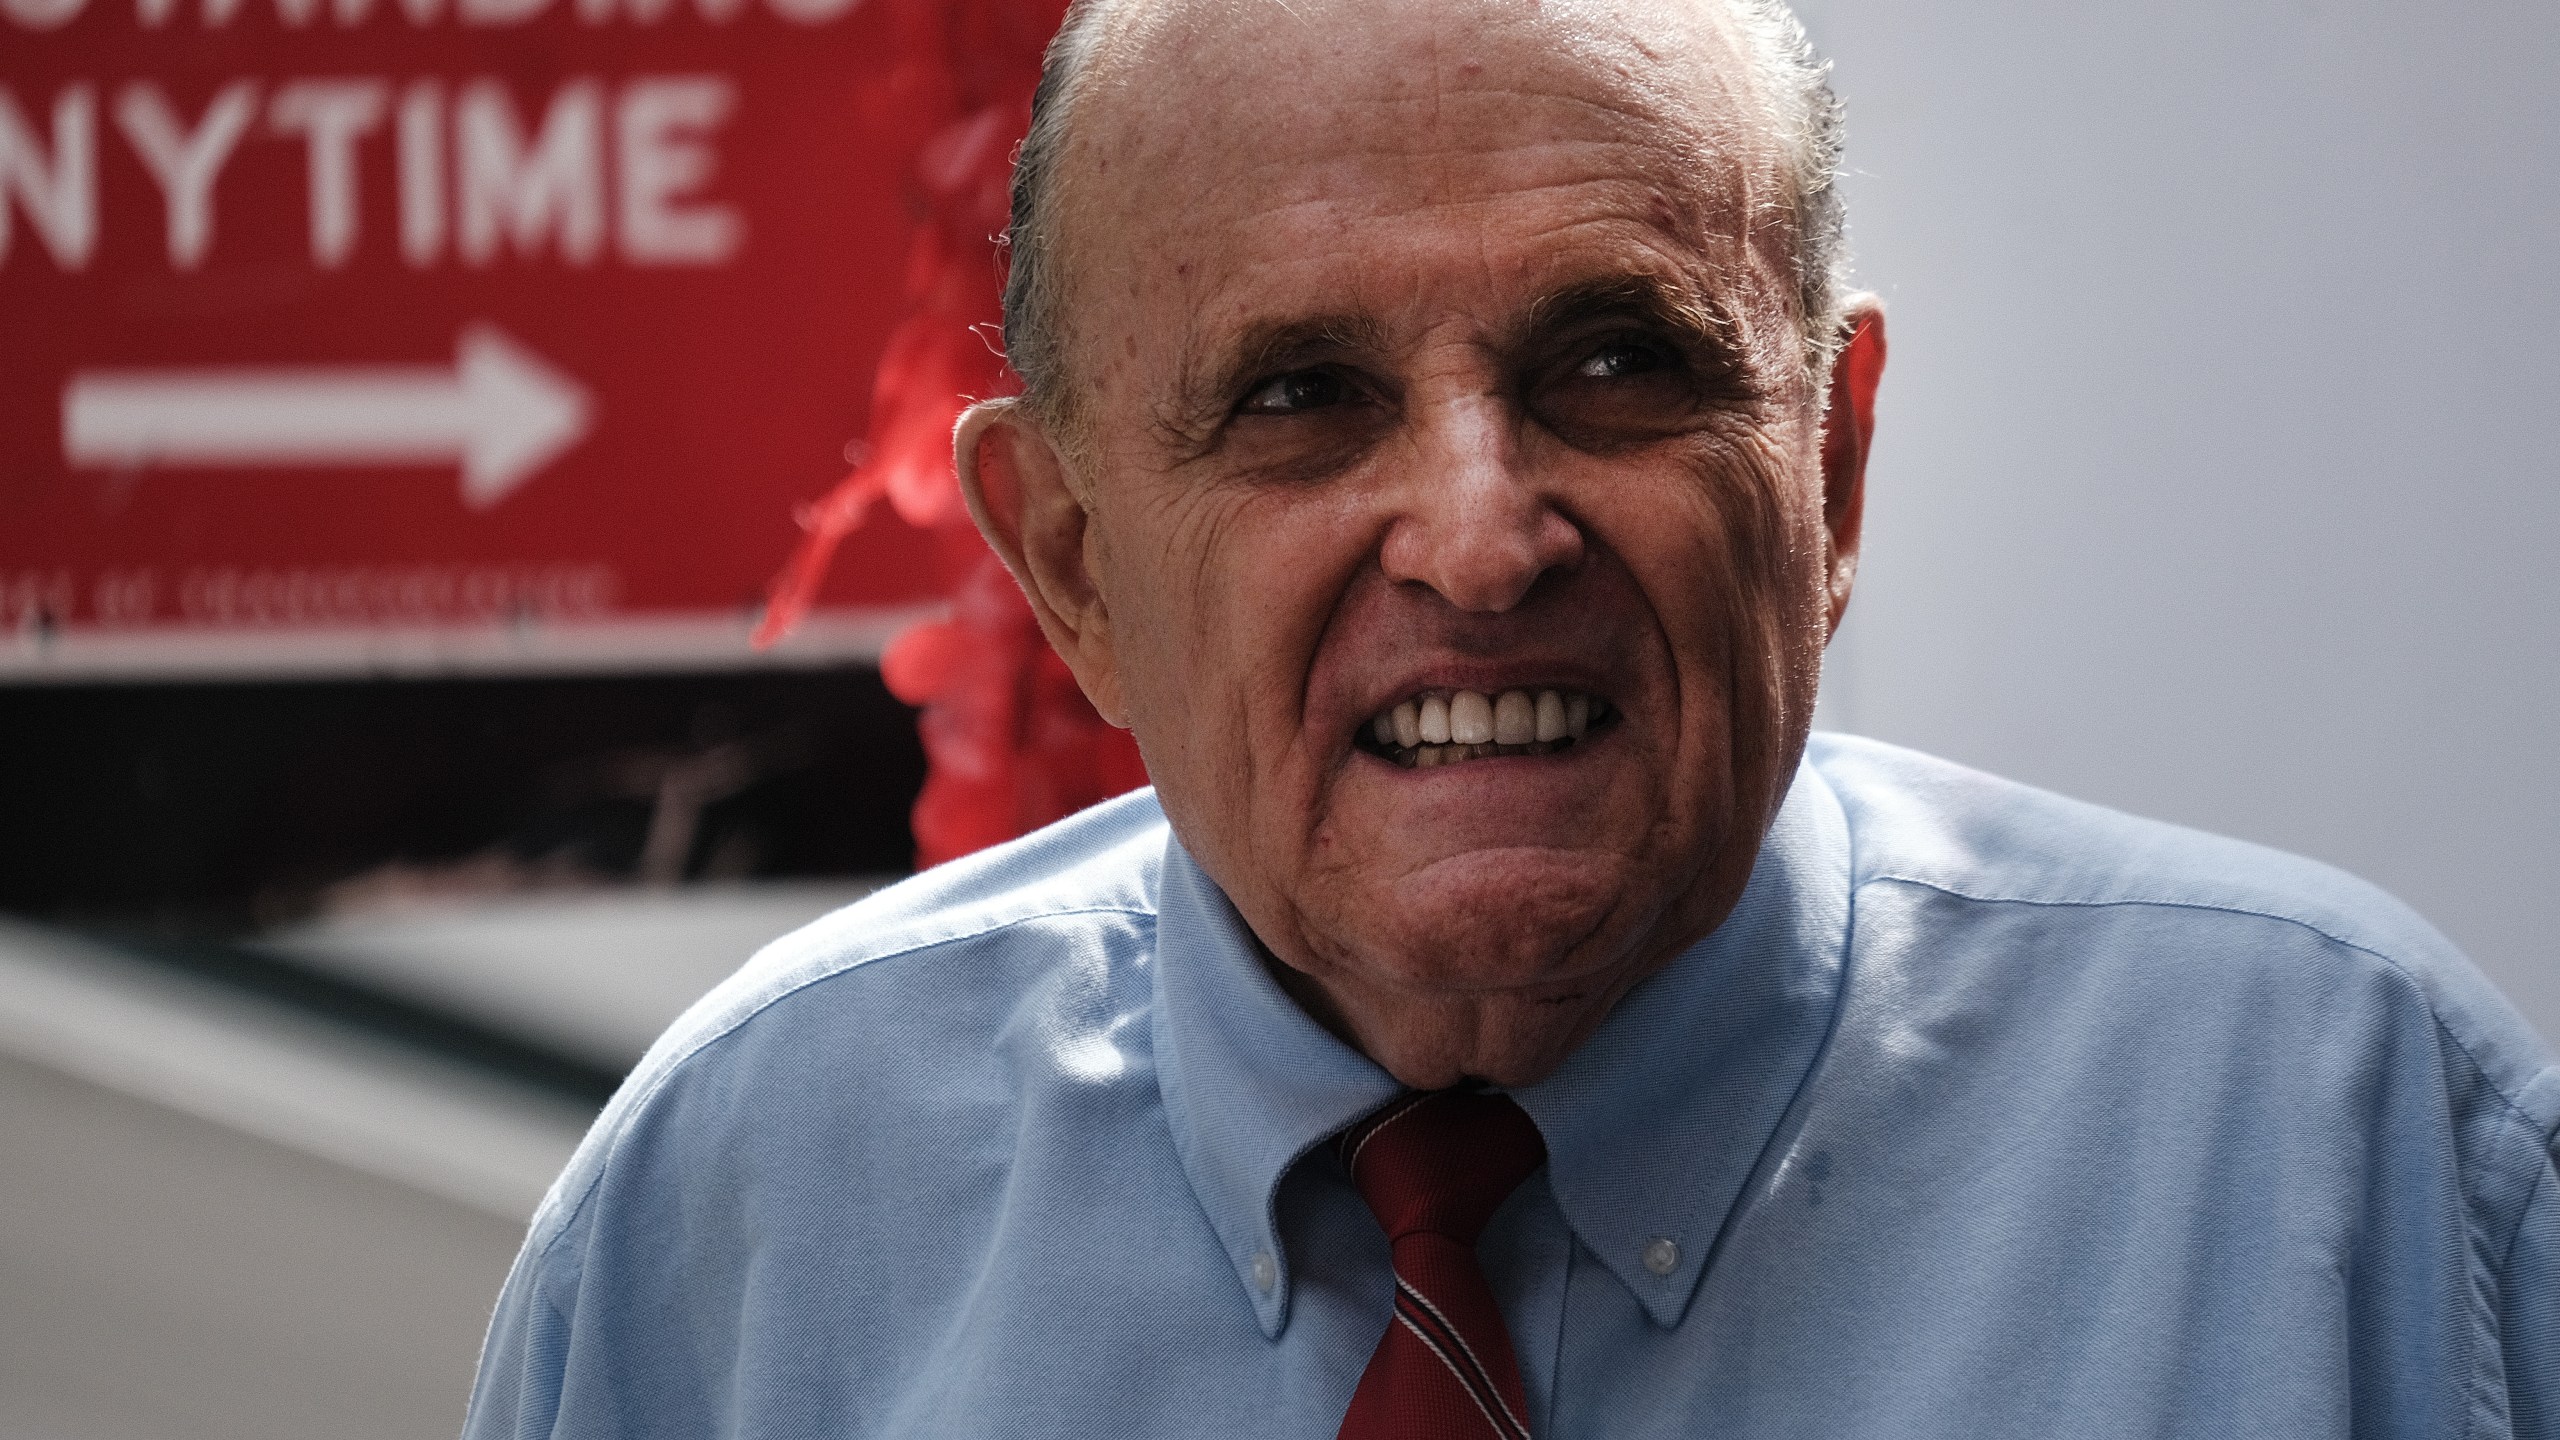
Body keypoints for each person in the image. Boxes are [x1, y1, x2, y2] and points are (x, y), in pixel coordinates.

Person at [462, 0, 2559, 1434]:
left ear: (1825, 470)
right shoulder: (734, 1215)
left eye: (1617, 364)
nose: (1477, 540)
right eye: (1302, 399)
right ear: (1075, 565)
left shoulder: (2346, 1155)